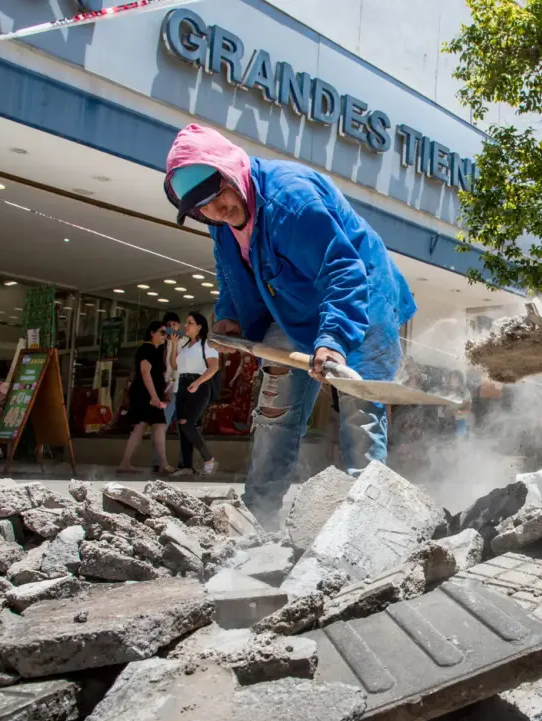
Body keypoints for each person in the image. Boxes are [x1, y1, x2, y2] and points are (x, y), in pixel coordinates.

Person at [163, 124, 416, 522]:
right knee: (275, 409)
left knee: (357, 405)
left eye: (218, 197)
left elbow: (343, 271)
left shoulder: (290, 200)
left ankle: (364, 520)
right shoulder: (222, 224)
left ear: (232, 172)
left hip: (361, 300)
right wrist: (228, 318)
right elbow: (229, 271)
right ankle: (259, 513)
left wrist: (333, 339)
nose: (216, 212)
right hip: (295, 309)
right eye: (202, 210)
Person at [171, 311, 221, 477]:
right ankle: (186, 466)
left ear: (200, 326)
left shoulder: (207, 344)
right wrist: (173, 346)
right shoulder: (185, 346)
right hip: (183, 384)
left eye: (190, 323)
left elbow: (213, 367)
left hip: (199, 384)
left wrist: (198, 382)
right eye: (187, 322)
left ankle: (209, 458)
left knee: (188, 423)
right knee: (181, 426)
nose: (186, 325)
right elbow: (175, 365)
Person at [118, 320, 170, 473]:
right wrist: (154, 396)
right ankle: (163, 464)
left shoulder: (152, 350)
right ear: (152, 333)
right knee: (157, 425)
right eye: (162, 332)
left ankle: (126, 463)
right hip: (146, 394)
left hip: (146, 394)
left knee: (143, 427)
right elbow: (145, 372)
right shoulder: (148, 349)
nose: (164, 336)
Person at [152, 312, 181, 474]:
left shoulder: (183, 343)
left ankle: (182, 463)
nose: (172, 328)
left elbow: (176, 366)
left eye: (174, 325)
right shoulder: (159, 345)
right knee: (160, 426)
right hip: (165, 391)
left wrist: (175, 345)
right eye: (168, 325)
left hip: (179, 389)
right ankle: (158, 462)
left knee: (185, 427)